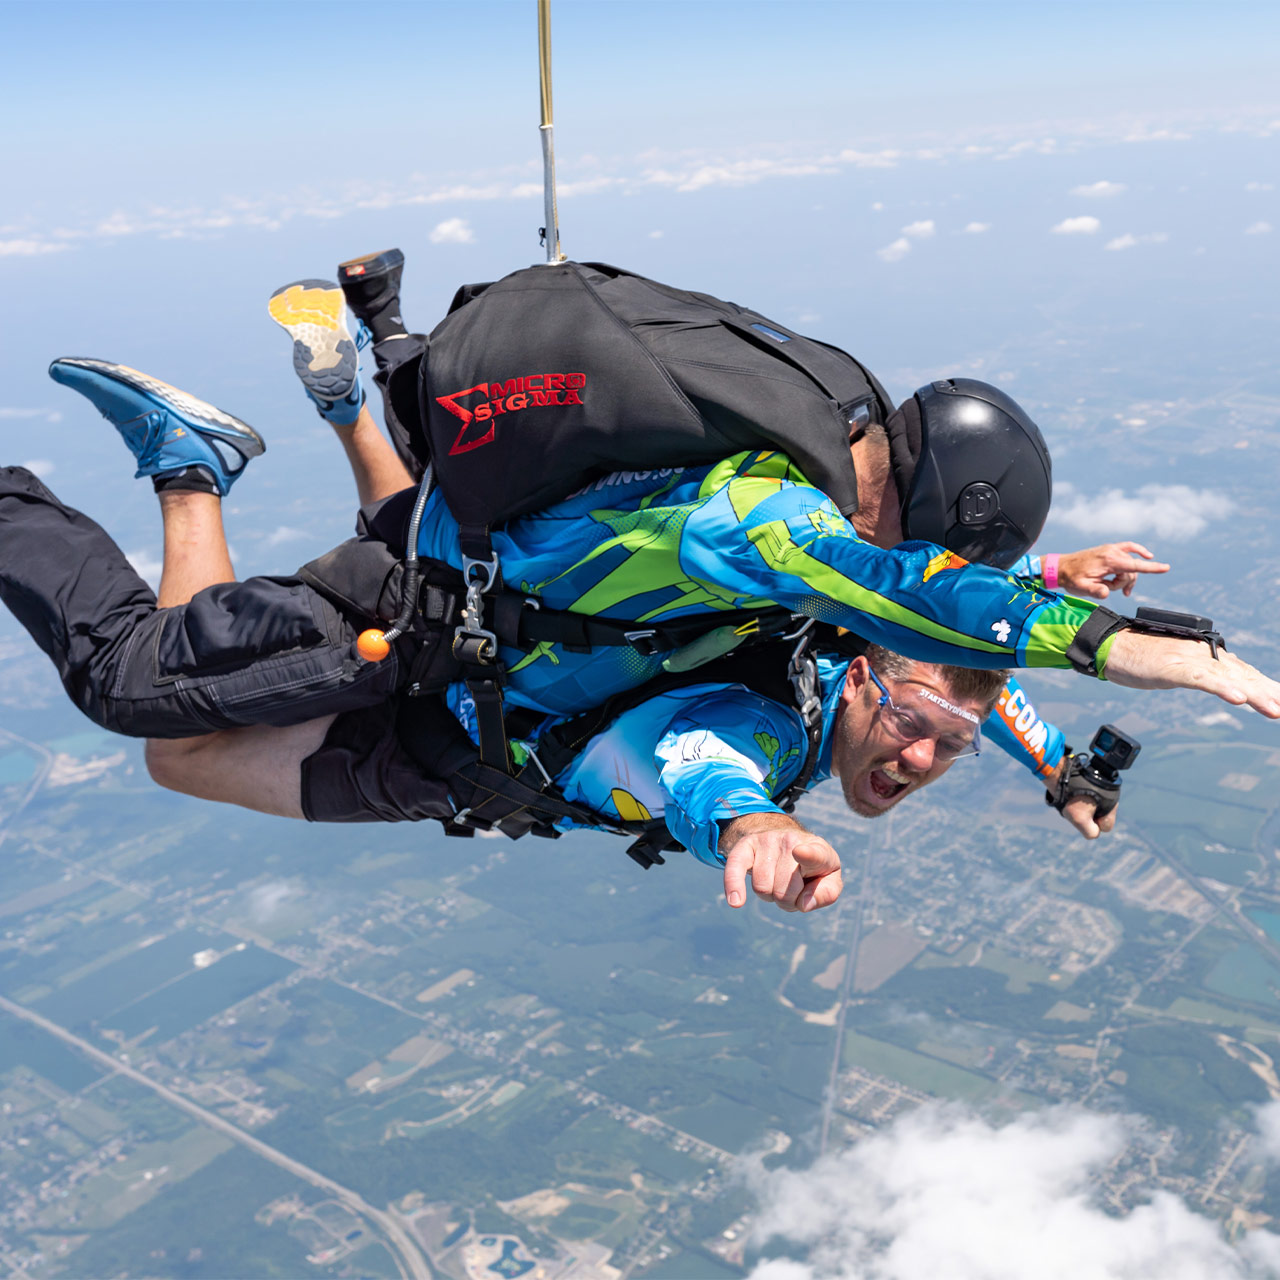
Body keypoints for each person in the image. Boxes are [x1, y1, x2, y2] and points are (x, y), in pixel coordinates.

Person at [2, 258, 1277, 843]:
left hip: (470, 681)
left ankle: (290, 418)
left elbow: (946, 680)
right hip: (426, 627)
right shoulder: (778, 526)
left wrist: (1055, 752)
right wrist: (1111, 643)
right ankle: (120, 478)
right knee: (135, 690)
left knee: (182, 756)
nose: (923, 747)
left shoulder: (822, 540)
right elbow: (896, 607)